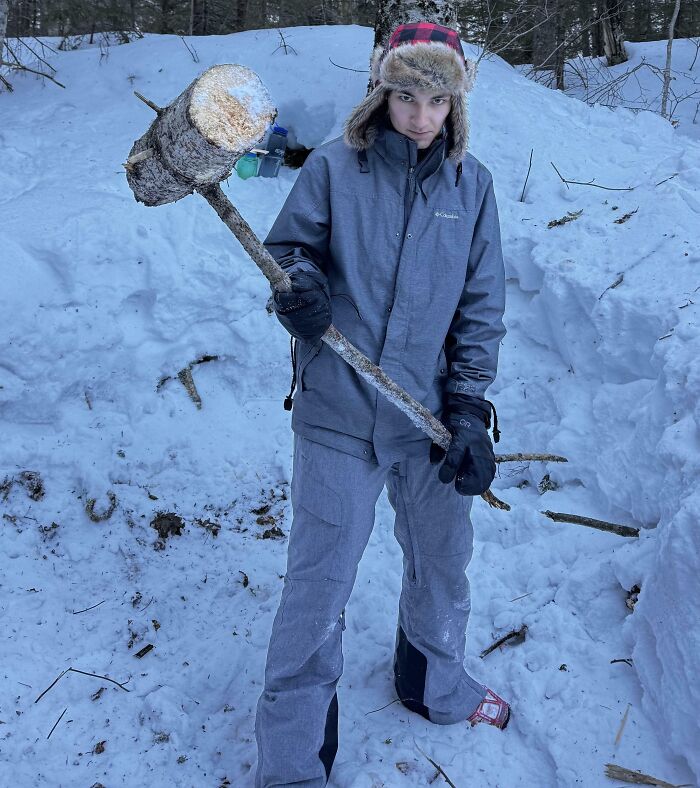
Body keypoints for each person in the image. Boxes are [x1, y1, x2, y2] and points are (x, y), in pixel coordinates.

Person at [254, 21, 508, 787]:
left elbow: (480, 307)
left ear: (456, 104)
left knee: (443, 563)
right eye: (406, 97)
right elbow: (289, 251)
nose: (421, 116)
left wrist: (468, 410)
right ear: (381, 93)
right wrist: (300, 290)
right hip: (338, 409)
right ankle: (292, 762)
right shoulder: (335, 167)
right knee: (318, 586)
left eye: (438, 100)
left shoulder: (473, 187)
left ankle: (433, 684)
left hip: (427, 419)